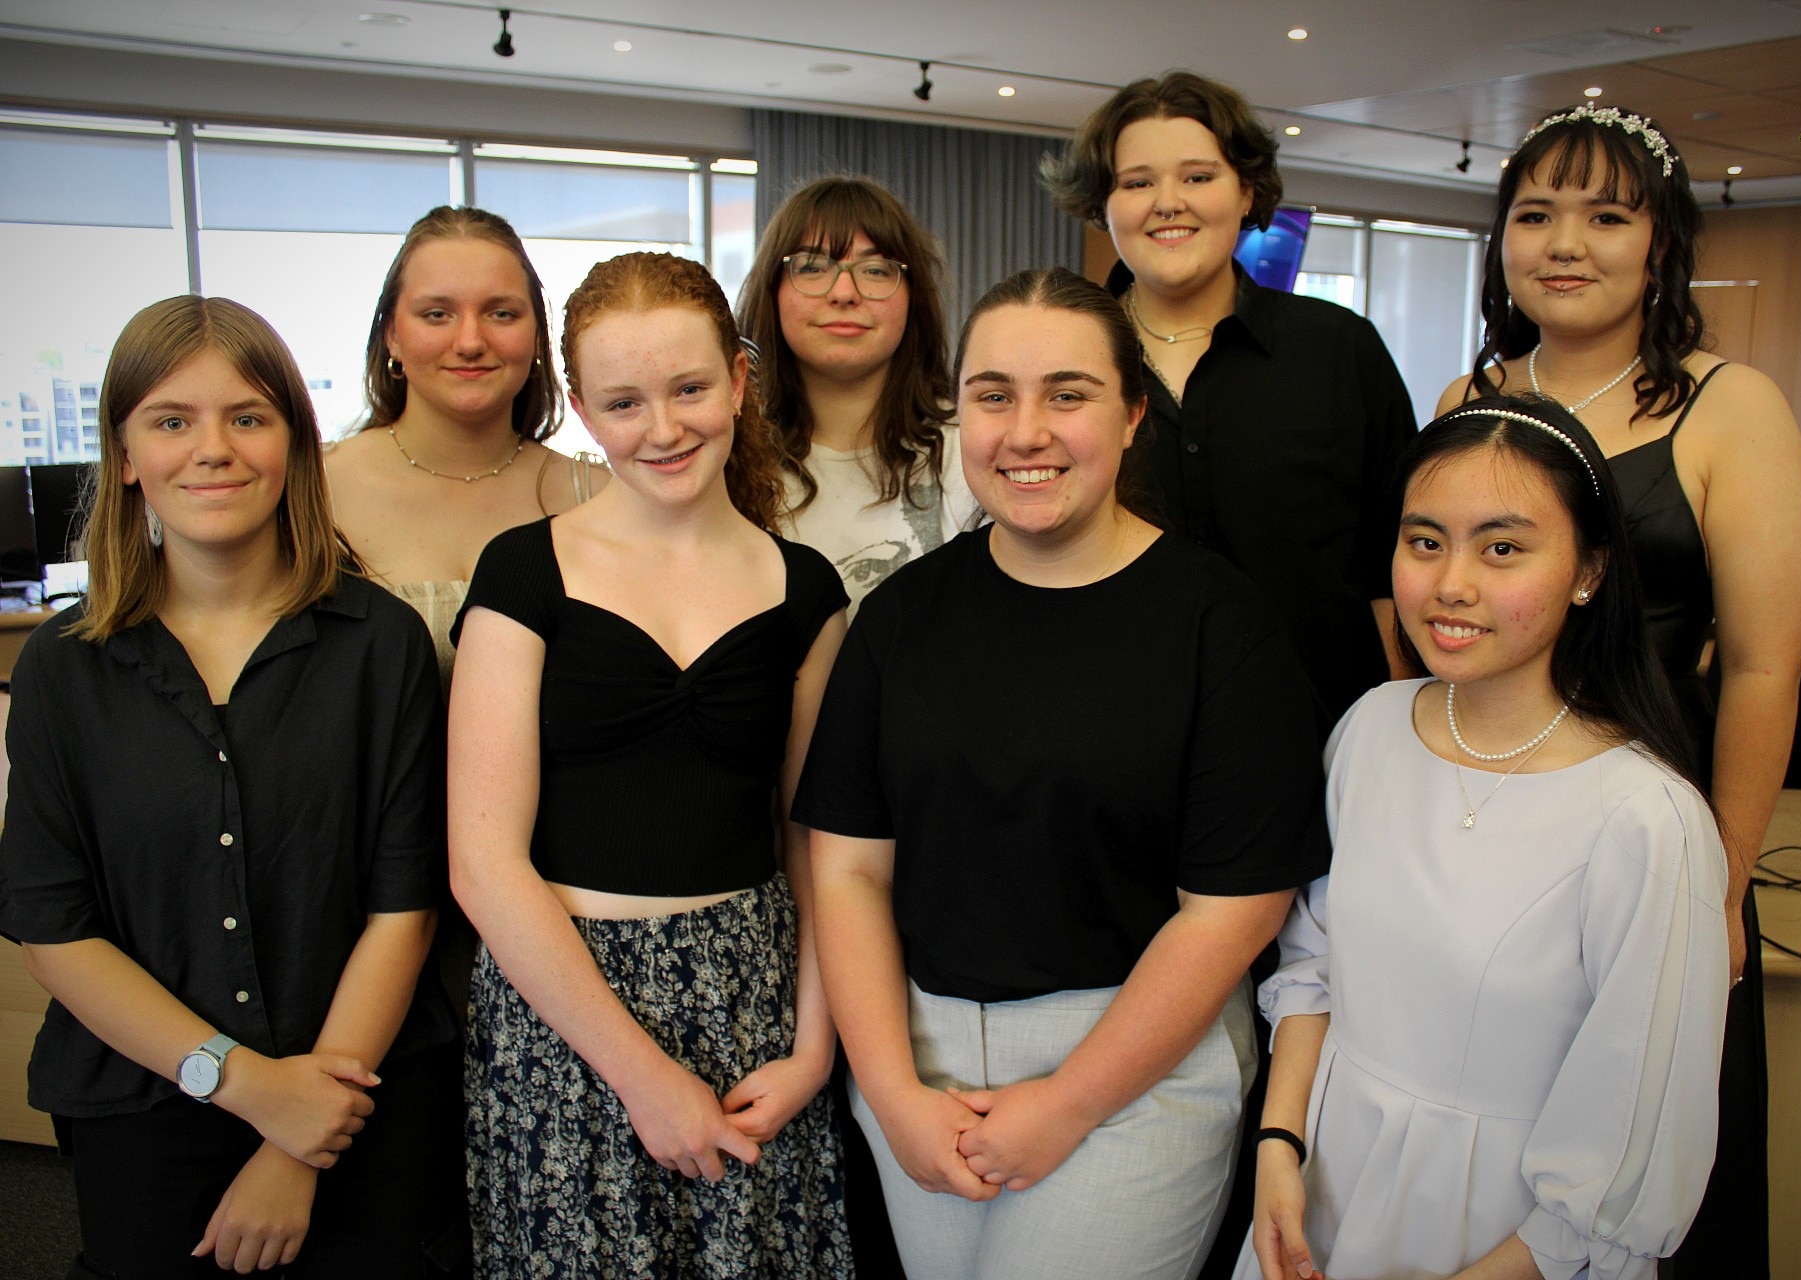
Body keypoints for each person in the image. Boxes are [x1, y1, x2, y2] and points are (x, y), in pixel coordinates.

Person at [798, 268, 1330, 1280]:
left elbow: (1232, 910)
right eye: (994, 394)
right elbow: (849, 869)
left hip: (1135, 1065)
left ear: (1133, 414)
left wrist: (1073, 1098)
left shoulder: (1225, 627)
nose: (1026, 429)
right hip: (923, 1053)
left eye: (1068, 393)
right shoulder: (900, 617)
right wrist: (893, 1089)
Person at [1437, 104, 1801, 1277]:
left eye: (1606, 215)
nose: (1566, 241)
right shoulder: (1470, 395)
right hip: (1495, 822)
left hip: (1657, 832)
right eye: (1536, 213)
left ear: (1661, 242)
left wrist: (1724, 883)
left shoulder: (1728, 405)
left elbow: (1763, 666)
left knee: (1635, 1140)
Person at [0, 296, 458, 1277]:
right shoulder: (62, 667)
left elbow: (404, 908)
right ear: (124, 453)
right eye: (172, 420)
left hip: (359, 1094)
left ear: (292, 440)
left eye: (248, 416)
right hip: (144, 1107)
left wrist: (300, 1135)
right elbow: (52, 925)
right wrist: (243, 1082)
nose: (214, 448)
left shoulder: (381, 645)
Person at [1241, 397, 1730, 1280]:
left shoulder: (1648, 820)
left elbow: (1629, 1148)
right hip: (1322, 1193)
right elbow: (1311, 965)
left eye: (1502, 548)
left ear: (1589, 571)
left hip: (1503, 1238)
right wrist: (1280, 1144)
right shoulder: (1371, 728)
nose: (1451, 584)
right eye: (1425, 542)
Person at [449, 252, 853, 1277]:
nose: (663, 428)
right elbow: (483, 864)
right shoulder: (523, 571)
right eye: (624, 401)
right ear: (582, 406)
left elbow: (815, 845)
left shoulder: (807, 591)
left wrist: (813, 1046)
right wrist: (639, 1072)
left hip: (752, 992)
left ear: (739, 380)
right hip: (569, 1007)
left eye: (690, 389)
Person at [1041, 70, 1419, 729]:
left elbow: (1395, 567)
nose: (1167, 203)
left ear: (1246, 191)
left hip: (1322, 743)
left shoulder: (1339, 350)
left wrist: (1398, 731)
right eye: (1137, 182)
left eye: (1197, 176)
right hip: (1114, 738)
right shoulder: (1060, 363)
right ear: (1102, 203)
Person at [327, 205, 607, 685]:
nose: (471, 340)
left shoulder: (597, 496)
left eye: (501, 313)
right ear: (392, 334)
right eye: (437, 314)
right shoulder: (314, 488)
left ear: (536, 332)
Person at [737, 176, 974, 611]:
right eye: (811, 267)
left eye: (876, 270)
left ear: (912, 295)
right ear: (771, 289)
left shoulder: (970, 449)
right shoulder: (728, 457)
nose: (844, 292)